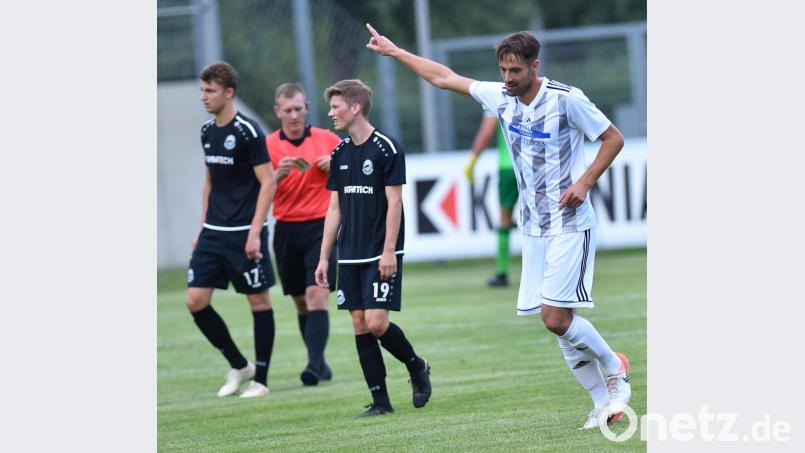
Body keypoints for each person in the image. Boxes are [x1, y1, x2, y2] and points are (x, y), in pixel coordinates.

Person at [366, 25, 631, 429]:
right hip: (534, 228)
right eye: (503, 70)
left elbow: (613, 138)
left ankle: (614, 368)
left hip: (570, 224)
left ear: (534, 67)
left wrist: (584, 182)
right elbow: (444, 77)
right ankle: (601, 403)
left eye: (515, 71)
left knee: (555, 318)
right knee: (558, 324)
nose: (507, 79)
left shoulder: (566, 100)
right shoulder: (500, 98)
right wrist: (396, 51)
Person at [314, 79, 432, 417]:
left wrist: (389, 250)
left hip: (380, 250)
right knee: (359, 324)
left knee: (377, 322)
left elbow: (395, 203)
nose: (330, 113)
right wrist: (324, 257)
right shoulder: (339, 153)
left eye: (335, 106)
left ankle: (416, 366)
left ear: (355, 108)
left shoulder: (387, 148)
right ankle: (380, 402)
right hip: (348, 253)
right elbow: (334, 209)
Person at [186, 61, 277, 399]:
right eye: (202, 90)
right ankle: (240, 365)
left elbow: (268, 183)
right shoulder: (207, 131)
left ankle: (261, 381)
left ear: (229, 93)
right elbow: (209, 180)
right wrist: (201, 227)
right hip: (213, 231)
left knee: (258, 300)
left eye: (210, 91)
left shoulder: (248, 131)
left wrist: (255, 232)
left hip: (244, 231)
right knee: (195, 300)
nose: (204, 97)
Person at [268, 83, 341, 386]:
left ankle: (311, 366)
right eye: (288, 110)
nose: (294, 115)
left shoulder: (328, 139)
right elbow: (258, 190)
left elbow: (355, 172)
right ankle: (320, 362)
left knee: (317, 296)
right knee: (301, 302)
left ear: (307, 108)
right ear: (278, 112)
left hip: (321, 228)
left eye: (299, 108)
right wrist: (275, 176)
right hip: (286, 229)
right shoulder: (268, 146)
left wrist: (336, 165)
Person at [465, 108, 518, 287]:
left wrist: (472, 162)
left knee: (505, 218)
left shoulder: (495, 98)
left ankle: (502, 273)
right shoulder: (535, 93)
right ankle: (548, 270)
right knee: (543, 218)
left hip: (508, 167)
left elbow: (486, 134)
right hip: (535, 165)